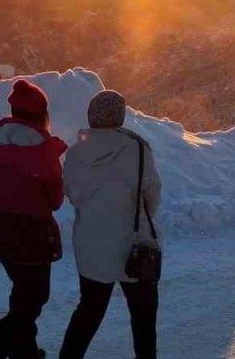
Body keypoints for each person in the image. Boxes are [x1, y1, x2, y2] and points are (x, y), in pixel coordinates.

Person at [0, 79, 68, 359]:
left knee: (24, 293)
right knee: (33, 299)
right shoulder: (44, 153)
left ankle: (25, 351)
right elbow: (56, 202)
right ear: (42, 114)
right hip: (33, 235)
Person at [59, 90, 161, 359]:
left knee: (88, 311)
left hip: (91, 245)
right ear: (120, 117)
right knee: (143, 315)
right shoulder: (138, 149)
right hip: (134, 244)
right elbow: (152, 196)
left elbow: (73, 195)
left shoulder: (75, 154)